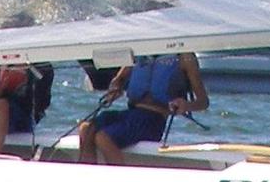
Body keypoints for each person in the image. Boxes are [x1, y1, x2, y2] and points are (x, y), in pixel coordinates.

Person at [78, 52, 207, 163]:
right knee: (86, 128)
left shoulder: (185, 58)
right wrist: (115, 88)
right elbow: (119, 79)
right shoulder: (140, 52)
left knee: (103, 137)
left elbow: (203, 102)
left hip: (154, 120)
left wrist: (186, 105)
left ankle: (120, 181)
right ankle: (88, 175)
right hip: (131, 113)